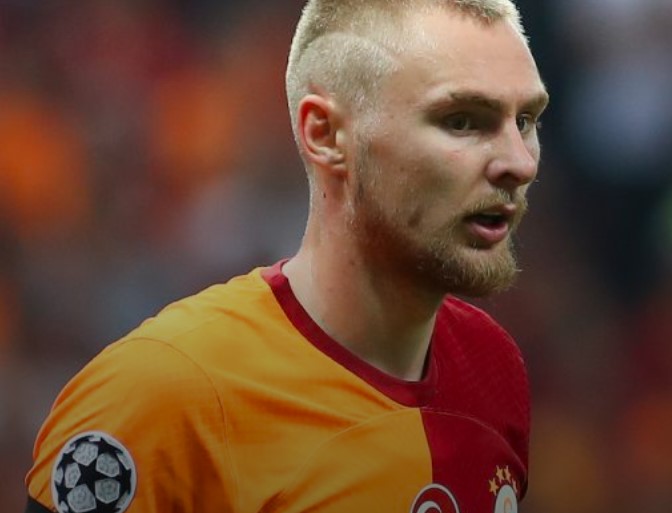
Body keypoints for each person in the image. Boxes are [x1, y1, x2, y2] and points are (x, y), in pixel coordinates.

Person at [24, 0, 549, 511]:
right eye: (462, 121)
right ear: (326, 135)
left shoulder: (492, 368)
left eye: (526, 120)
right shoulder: (162, 400)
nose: (519, 162)